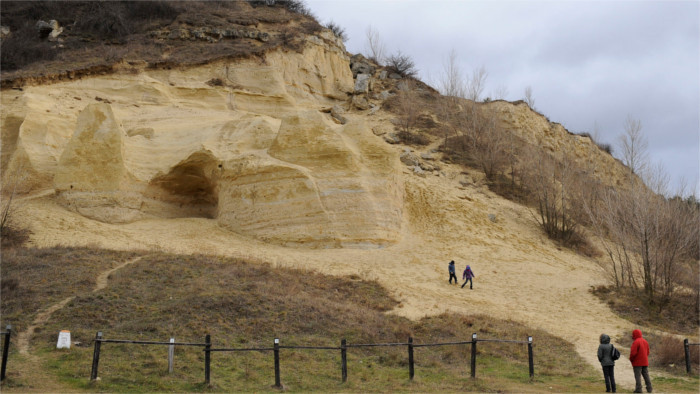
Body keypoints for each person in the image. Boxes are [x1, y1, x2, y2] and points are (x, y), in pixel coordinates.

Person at [629, 329, 652, 393]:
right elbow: (648, 352)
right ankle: (649, 388)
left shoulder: (636, 342)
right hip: (645, 361)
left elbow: (633, 353)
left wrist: (631, 359)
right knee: (646, 375)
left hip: (637, 362)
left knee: (638, 376)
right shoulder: (645, 341)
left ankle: (639, 389)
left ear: (634, 334)